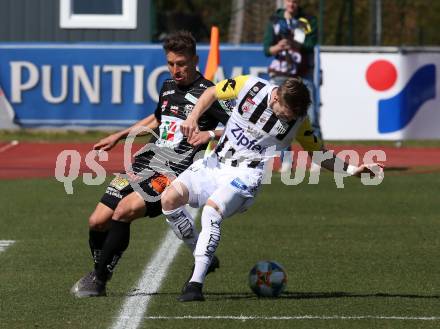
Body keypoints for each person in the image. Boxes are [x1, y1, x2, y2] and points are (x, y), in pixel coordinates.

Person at [161, 75, 384, 302]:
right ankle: (203, 254)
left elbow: (319, 154)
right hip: (215, 164)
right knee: (168, 200)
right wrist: (192, 117)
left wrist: (352, 170)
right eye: (287, 113)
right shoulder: (249, 85)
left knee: (211, 211)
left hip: (248, 175)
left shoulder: (299, 121)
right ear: (276, 96)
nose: (290, 119)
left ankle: (195, 285)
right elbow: (211, 93)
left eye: (294, 115)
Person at [71, 31, 230, 298]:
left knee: (123, 212)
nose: (176, 70)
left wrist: (210, 135)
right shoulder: (167, 86)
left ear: (195, 60)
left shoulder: (209, 94)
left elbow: (237, 127)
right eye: (171, 63)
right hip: (145, 161)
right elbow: (157, 119)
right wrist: (119, 136)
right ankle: (100, 270)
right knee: (97, 221)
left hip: (173, 171)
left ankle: (98, 279)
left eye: (182, 63)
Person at [263, 0, 320, 172]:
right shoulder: (275, 20)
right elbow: (266, 49)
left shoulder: (308, 20)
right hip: (281, 74)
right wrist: (278, 47)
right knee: (281, 116)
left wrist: (296, 44)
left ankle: (317, 159)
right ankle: (286, 159)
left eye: (295, 1)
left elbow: (311, 44)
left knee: (312, 117)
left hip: (303, 73)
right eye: (289, 0)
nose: (292, 4)